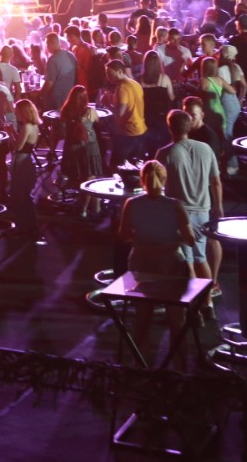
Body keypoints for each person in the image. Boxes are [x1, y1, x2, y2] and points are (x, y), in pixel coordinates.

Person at [117, 160, 196, 365]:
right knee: (176, 320)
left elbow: (123, 236)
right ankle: (179, 368)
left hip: (141, 263)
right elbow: (190, 239)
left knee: (143, 319)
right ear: (164, 179)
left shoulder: (132, 204)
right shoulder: (175, 205)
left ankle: (141, 365)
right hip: (170, 264)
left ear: (142, 180)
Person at [59, 85, 102, 188]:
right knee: (89, 175)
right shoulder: (90, 111)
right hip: (89, 145)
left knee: (74, 175)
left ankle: (77, 194)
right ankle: (88, 196)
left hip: (71, 146)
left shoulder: (65, 111)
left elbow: (62, 130)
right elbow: (97, 121)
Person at [9, 99, 41, 233]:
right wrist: (12, 131)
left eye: (17, 112)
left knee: (19, 195)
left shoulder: (26, 127)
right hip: (28, 161)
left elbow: (18, 147)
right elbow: (24, 141)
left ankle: (24, 225)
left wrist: (9, 134)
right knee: (25, 194)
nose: (16, 114)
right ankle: (30, 224)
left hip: (22, 162)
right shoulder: (33, 126)